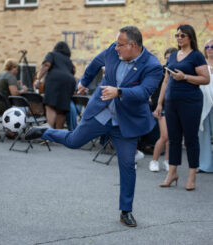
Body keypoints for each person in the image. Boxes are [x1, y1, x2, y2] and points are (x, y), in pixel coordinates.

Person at [26, 26, 163, 227]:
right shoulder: (113, 51)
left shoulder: (152, 65)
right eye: (116, 44)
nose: (116, 48)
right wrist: (84, 81)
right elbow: (96, 63)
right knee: (73, 142)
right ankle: (45, 131)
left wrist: (119, 92)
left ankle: (126, 211)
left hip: (125, 122)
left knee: (127, 166)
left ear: (133, 45)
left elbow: (144, 92)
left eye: (120, 44)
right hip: (102, 112)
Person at [154, 25, 210, 190]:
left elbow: (205, 79)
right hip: (171, 101)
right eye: (177, 35)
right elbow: (166, 80)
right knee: (173, 139)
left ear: (190, 37)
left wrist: (184, 76)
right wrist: (159, 103)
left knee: (191, 139)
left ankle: (191, 175)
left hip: (191, 101)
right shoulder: (172, 56)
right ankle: (172, 173)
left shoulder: (197, 56)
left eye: (182, 35)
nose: (179, 37)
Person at [34, 41, 76, 129]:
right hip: (69, 81)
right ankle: (58, 134)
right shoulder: (68, 60)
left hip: (54, 80)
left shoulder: (52, 54)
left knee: (50, 106)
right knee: (62, 109)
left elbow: (46, 65)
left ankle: (50, 131)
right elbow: (73, 73)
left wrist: (38, 79)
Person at [149, 47, 177, 172]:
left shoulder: (180, 70)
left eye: (170, 58)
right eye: (166, 58)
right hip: (163, 106)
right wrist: (157, 106)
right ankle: (154, 161)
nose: (168, 61)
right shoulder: (161, 72)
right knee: (164, 135)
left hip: (176, 106)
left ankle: (167, 161)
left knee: (172, 137)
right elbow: (156, 92)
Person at [198, 39, 213, 173]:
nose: (209, 49)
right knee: (204, 133)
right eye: (207, 46)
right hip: (204, 102)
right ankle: (204, 164)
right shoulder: (201, 64)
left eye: (212, 46)